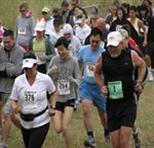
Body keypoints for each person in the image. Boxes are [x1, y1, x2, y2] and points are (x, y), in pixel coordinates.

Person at [94, 31, 146, 148]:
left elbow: (142, 65)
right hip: (112, 104)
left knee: (124, 141)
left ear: (121, 44)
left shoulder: (131, 55)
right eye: (110, 46)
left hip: (128, 102)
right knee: (116, 144)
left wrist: (139, 81)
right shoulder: (103, 57)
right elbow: (96, 73)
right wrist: (102, 86)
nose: (112, 49)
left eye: (114, 46)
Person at [9, 52, 57, 148]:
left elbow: (53, 92)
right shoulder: (18, 81)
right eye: (25, 68)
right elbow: (13, 99)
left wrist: (53, 106)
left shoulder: (45, 79)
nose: (28, 70)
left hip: (41, 120)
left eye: (30, 67)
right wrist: (14, 107)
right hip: (25, 122)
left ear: (36, 65)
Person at [78, 27, 109, 147]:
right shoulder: (83, 50)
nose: (94, 44)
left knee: (103, 115)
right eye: (92, 41)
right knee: (86, 109)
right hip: (87, 85)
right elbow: (80, 62)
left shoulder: (104, 53)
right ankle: (90, 137)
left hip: (99, 87)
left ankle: (106, 131)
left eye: (97, 41)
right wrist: (80, 76)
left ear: (101, 41)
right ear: (89, 39)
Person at [47, 37, 80, 148]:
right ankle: (63, 132)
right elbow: (46, 77)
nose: (60, 52)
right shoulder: (54, 60)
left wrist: (73, 80)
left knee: (65, 127)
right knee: (58, 129)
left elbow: (79, 80)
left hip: (70, 97)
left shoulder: (74, 61)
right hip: (57, 98)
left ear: (68, 49)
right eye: (58, 50)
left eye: (62, 49)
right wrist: (51, 71)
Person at [0, 29, 24, 147]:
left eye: (8, 42)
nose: (6, 45)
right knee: (13, 117)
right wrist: (9, 69)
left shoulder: (20, 52)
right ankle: (26, 130)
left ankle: (3, 143)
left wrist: (4, 69)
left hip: (14, 90)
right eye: (4, 42)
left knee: (6, 114)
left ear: (13, 40)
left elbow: (18, 71)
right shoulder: (0, 51)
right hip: (2, 88)